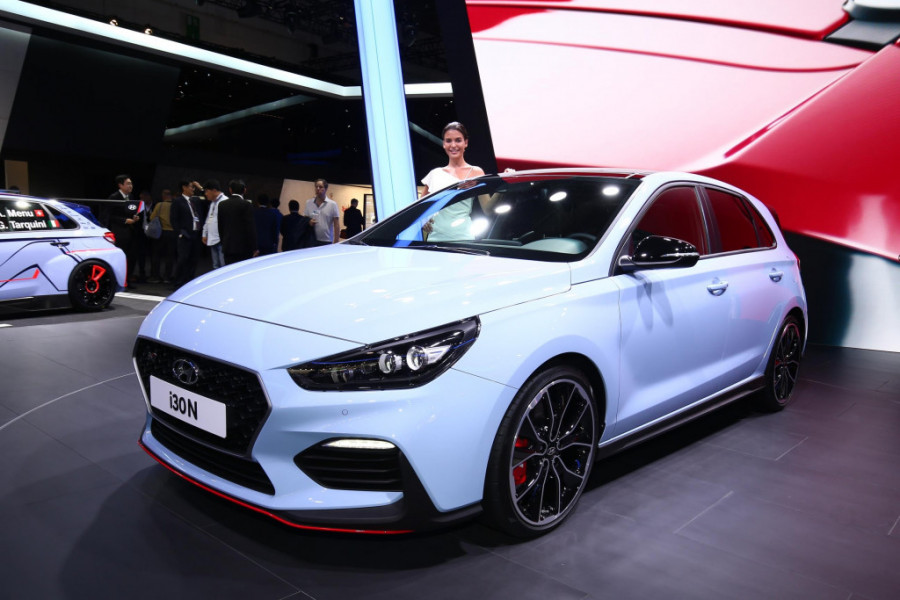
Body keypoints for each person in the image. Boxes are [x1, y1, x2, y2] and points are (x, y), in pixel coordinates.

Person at [420, 121, 486, 241]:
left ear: (466, 143)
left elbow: (488, 208)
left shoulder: (476, 172)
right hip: (436, 239)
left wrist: (505, 180)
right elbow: (420, 208)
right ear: (444, 144)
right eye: (448, 141)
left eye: (458, 140)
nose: (453, 145)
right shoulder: (435, 174)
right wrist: (423, 220)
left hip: (464, 238)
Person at [106, 174, 143, 288]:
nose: (130, 186)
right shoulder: (114, 197)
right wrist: (125, 220)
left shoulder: (131, 197)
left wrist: (135, 217)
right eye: (128, 184)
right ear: (120, 185)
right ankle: (116, 281)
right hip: (119, 232)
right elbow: (109, 216)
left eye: (131, 183)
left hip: (131, 232)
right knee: (120, 257)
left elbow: (132, 212)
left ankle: (127, 281)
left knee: (131, 257)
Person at [171, 179, 204, 288]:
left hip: (196, 233)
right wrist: (180, 232)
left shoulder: (196, 200)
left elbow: (207, 198)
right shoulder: (178, 201)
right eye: (191, 186)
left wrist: (200, 187)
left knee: (194, 259)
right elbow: (174, 219)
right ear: (184, 187)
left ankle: (189, 282)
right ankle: (178, 282)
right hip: (185, 234)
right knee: (183, 259)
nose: (193, 189)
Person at [217, 179, 258, 264]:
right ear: (244, 190)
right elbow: (250, 228)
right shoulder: (247, 205)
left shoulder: (222, 204)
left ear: (230, 190)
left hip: (227, 246)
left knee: (229, 268)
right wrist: (254, 247)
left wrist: (223, 242)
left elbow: (220, 226)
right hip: (244, 248)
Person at [148, 189, 176, 283]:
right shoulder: (175, 205)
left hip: (160, 233)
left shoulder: (159, 205)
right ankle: (167, 277)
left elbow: (152, 217)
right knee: (170, 256)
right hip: (172, 233)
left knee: (156, 255)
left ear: (163, 196)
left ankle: (156, 276)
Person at [305, 178, 341, 246]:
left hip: (326, 240)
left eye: (320, 187)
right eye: (316, 186)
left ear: (326, 189)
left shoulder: (332, 204)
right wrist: (309, 222)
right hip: (311, 239)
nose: (318, 188)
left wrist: (336, 241)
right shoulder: (309, 203)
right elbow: (305, 219)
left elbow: (336, 224)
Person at [201, 184, 226, 269]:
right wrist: (204, 233)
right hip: (212, 238)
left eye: (207, 191)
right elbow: (209, 218)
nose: (206, 194)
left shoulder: (225, 201)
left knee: (223, 266)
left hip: (221, 239)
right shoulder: (213, 203)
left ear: (214, 190)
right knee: (215, 266)